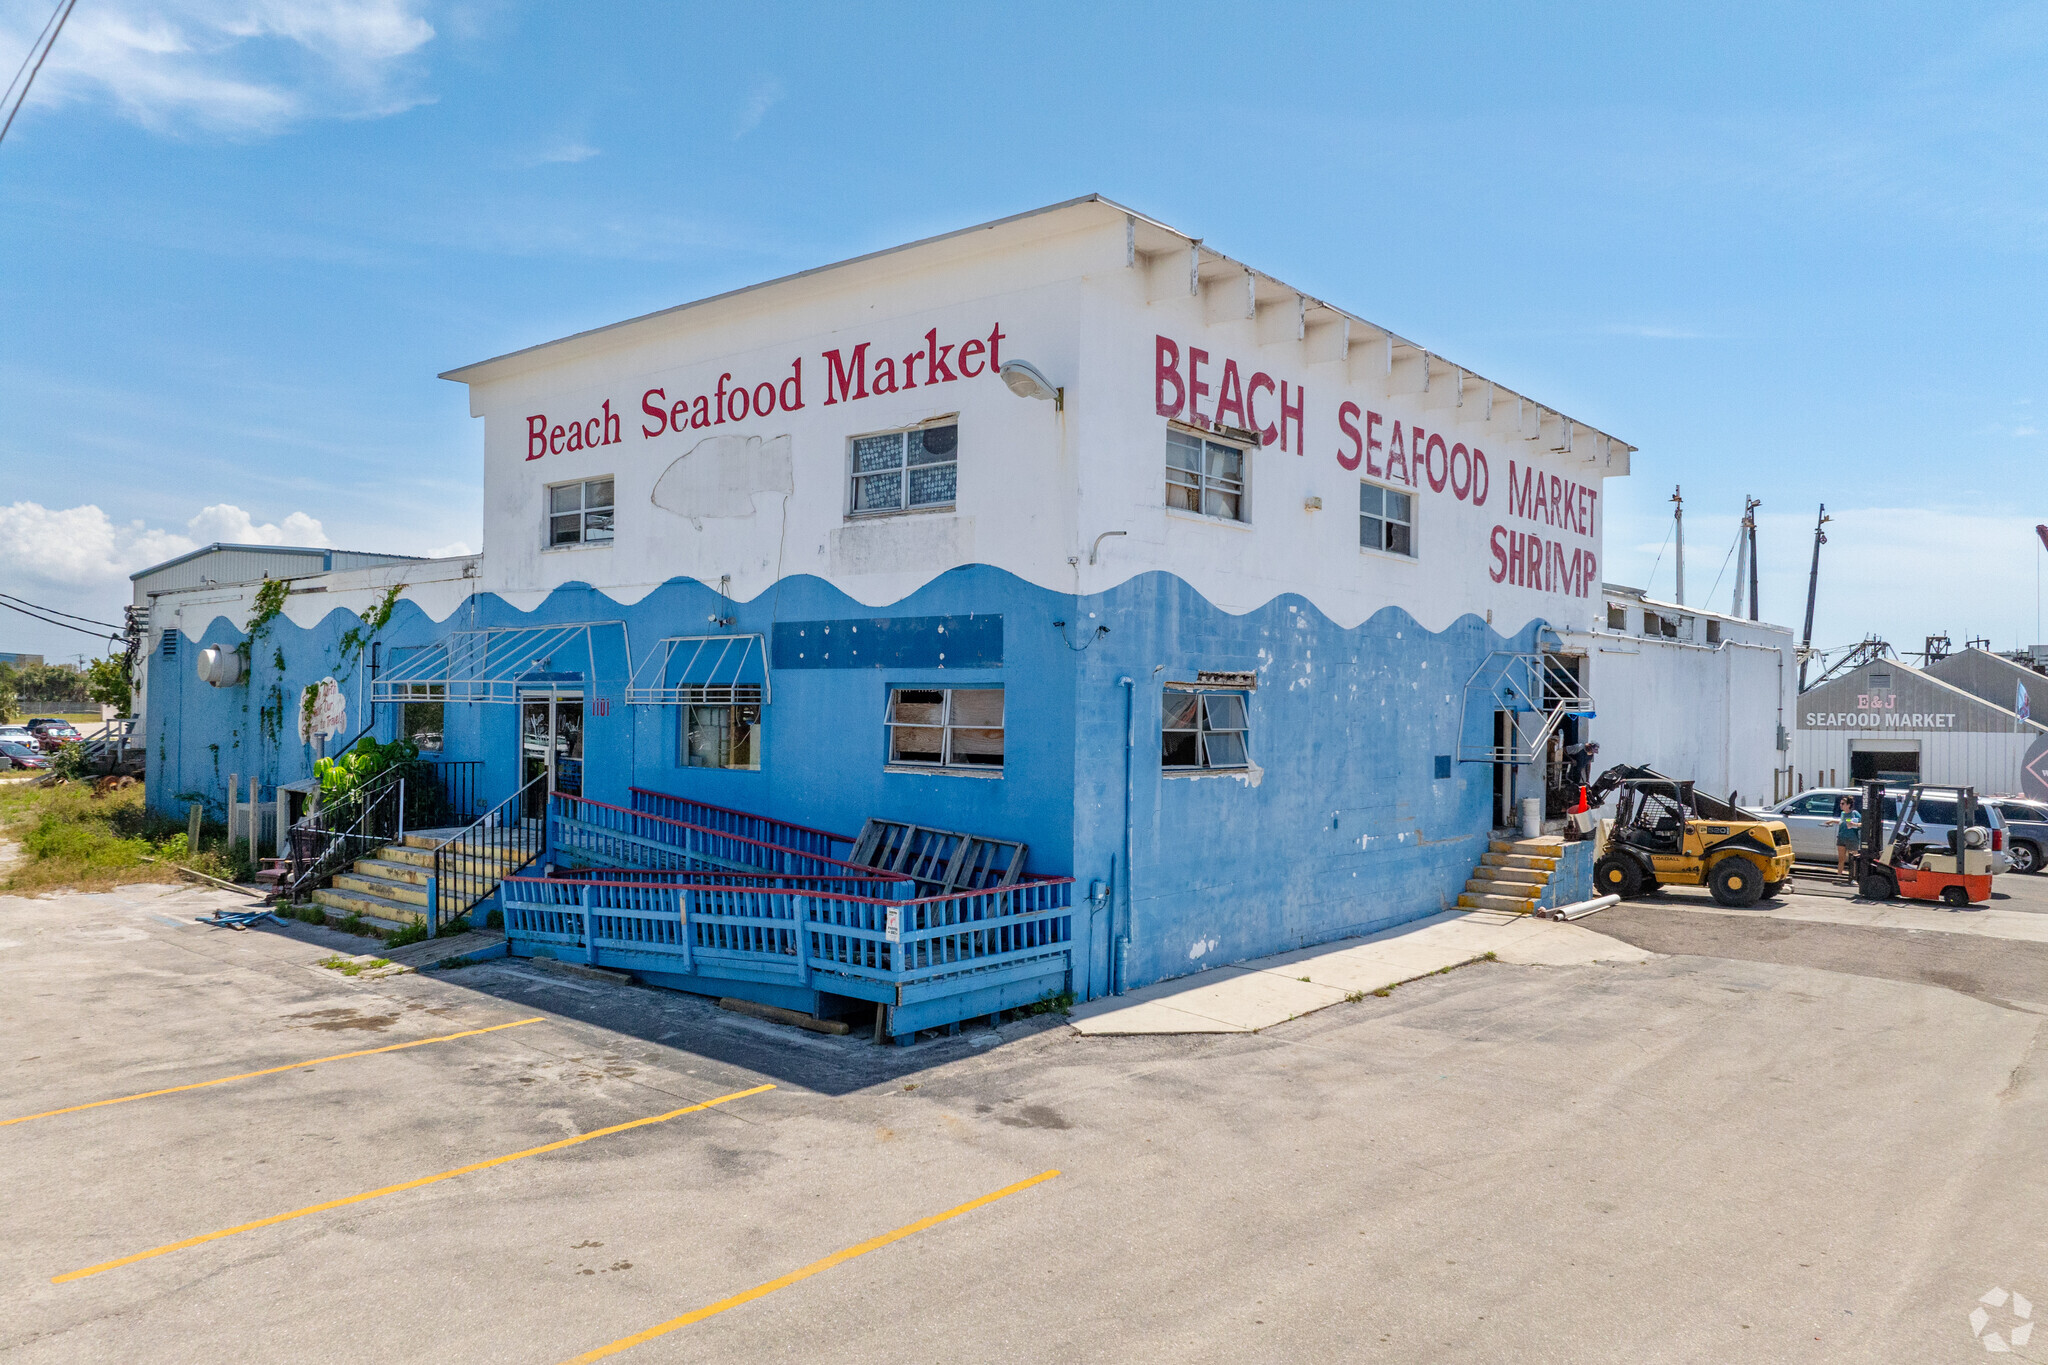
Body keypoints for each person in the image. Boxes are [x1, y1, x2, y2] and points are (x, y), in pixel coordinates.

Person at [1834, 796, 1862, 878]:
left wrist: (1854, 824)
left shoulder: (1854, 813)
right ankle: (1839, 876)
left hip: (1852, 839)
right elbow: (1842, 823)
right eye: (1840, 803)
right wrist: (1832, 821)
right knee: (1841, 859)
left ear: (1849, 805)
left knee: (1853, 860)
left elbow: (1862, 824)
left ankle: (1853, 877)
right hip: (1842, 838)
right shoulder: (1843, 814)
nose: (1841, 805)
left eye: (1843, 803)